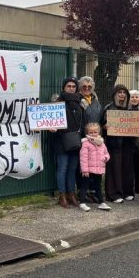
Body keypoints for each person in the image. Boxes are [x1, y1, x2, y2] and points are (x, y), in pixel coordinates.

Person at [100, 84, 137, 203]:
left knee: (127, 167)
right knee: (114, 168)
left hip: (127, 143)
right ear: (115, 94)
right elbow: (101, 124)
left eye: (124, 92)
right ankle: (114, 194)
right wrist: (105, 127)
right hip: (114, 143)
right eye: (119, 92)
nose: (122, 95)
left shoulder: (131, 109)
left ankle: (127, 192)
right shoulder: (109, 108)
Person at [51, 77, 83, 208]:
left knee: (72, 168)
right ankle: (62, 195)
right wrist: (51, 128)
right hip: (61, 140)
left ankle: (71, 193)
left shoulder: (79, 104)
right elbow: (50, 120)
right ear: (64, 88)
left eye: (73, 86)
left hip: (75, 141)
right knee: (63, 168)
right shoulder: (57, 103)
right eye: (68, 86)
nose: (71, 88)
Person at [78, 123, 112, 211]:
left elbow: (107, 154)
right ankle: (82, 202)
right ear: (87, 133)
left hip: (98, 169)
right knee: (84, 186)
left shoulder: (102, 143)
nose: (93, 134)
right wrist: (84, 170)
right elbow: (83, 158)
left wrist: (105, 158)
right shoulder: (85, 143)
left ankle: (101, 202)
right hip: (88, 170)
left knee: (98, 186)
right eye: (91, 132)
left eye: (95, 132)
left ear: (99, 132)